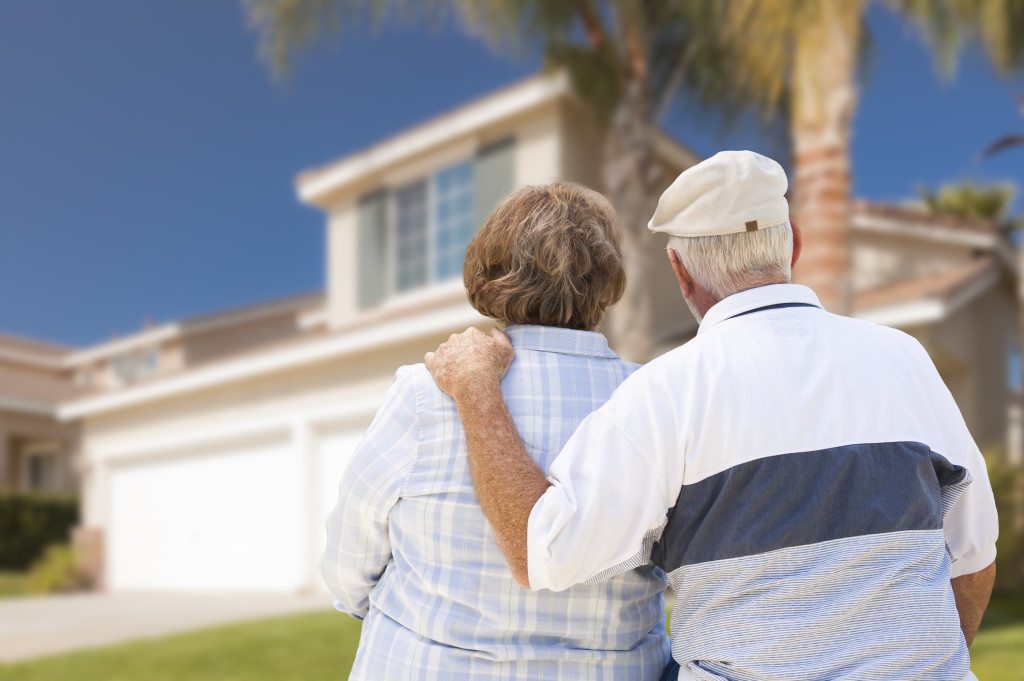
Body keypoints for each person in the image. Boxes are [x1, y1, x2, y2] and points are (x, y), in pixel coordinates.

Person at [425, 151, 999, 681]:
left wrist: (478, 392)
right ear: (792, 243)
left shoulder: (667, 392)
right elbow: (972, 557)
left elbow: (540, 552)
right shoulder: (903, 358)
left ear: (681, 271)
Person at [320, 182, 671, 680]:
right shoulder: (654, 400)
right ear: (608, 280)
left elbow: (352, 549)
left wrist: (365, 605)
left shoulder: (425, 393)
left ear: (491, 271)